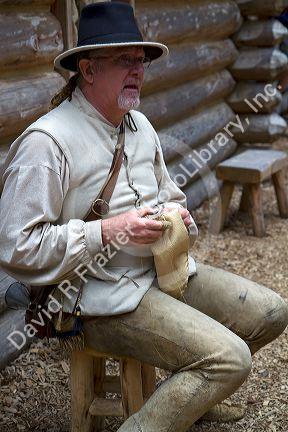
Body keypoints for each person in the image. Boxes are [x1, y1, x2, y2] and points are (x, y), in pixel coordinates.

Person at [0, 3, 287, 431]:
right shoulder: (47, 144)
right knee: (230, 358)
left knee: (271, 312)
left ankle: (191, 394)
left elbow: (168, 192)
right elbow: (16, 248)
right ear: (88, 69)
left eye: (141, 61)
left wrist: (179, 217)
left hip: (158, 275)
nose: (137, 70)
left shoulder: (139, 125)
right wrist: (109, 231)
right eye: (123, 61)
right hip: (93, 300)